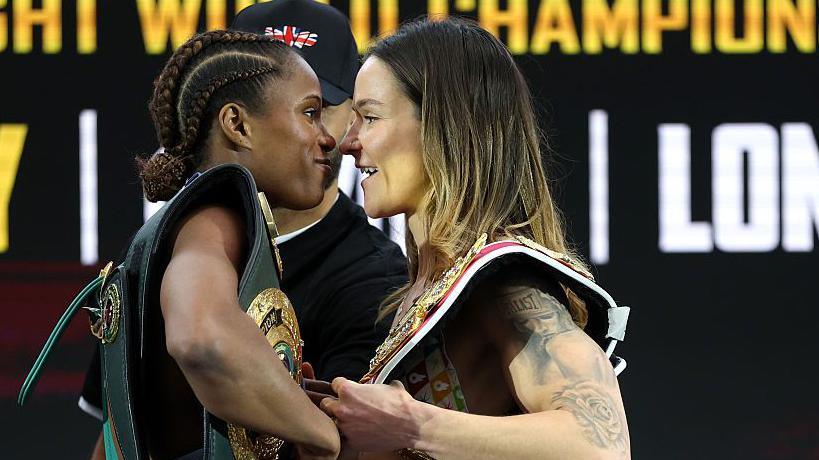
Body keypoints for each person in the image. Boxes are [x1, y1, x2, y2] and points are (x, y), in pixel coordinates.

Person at [318, 18, 632, 459]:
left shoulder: (502, 282)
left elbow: (600, 446)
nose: (347, 142)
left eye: (369, 117)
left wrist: (410, 424)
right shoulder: (429, 286)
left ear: (443, 127)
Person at [77, 30, 342, 459]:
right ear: (238, 125)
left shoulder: (186, 222)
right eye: (310, 113)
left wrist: (289, 398)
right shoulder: (216, 216)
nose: (327, 136)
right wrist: (320, 434)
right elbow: (199, 336)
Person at [230, 0, 407, 384]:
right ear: (231, 118)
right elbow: (114, 434)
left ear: (353, 115)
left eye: (318, 107)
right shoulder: (168, 243)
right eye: (271, 104)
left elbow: (337, 441)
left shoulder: (378, 283)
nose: (302, 132)